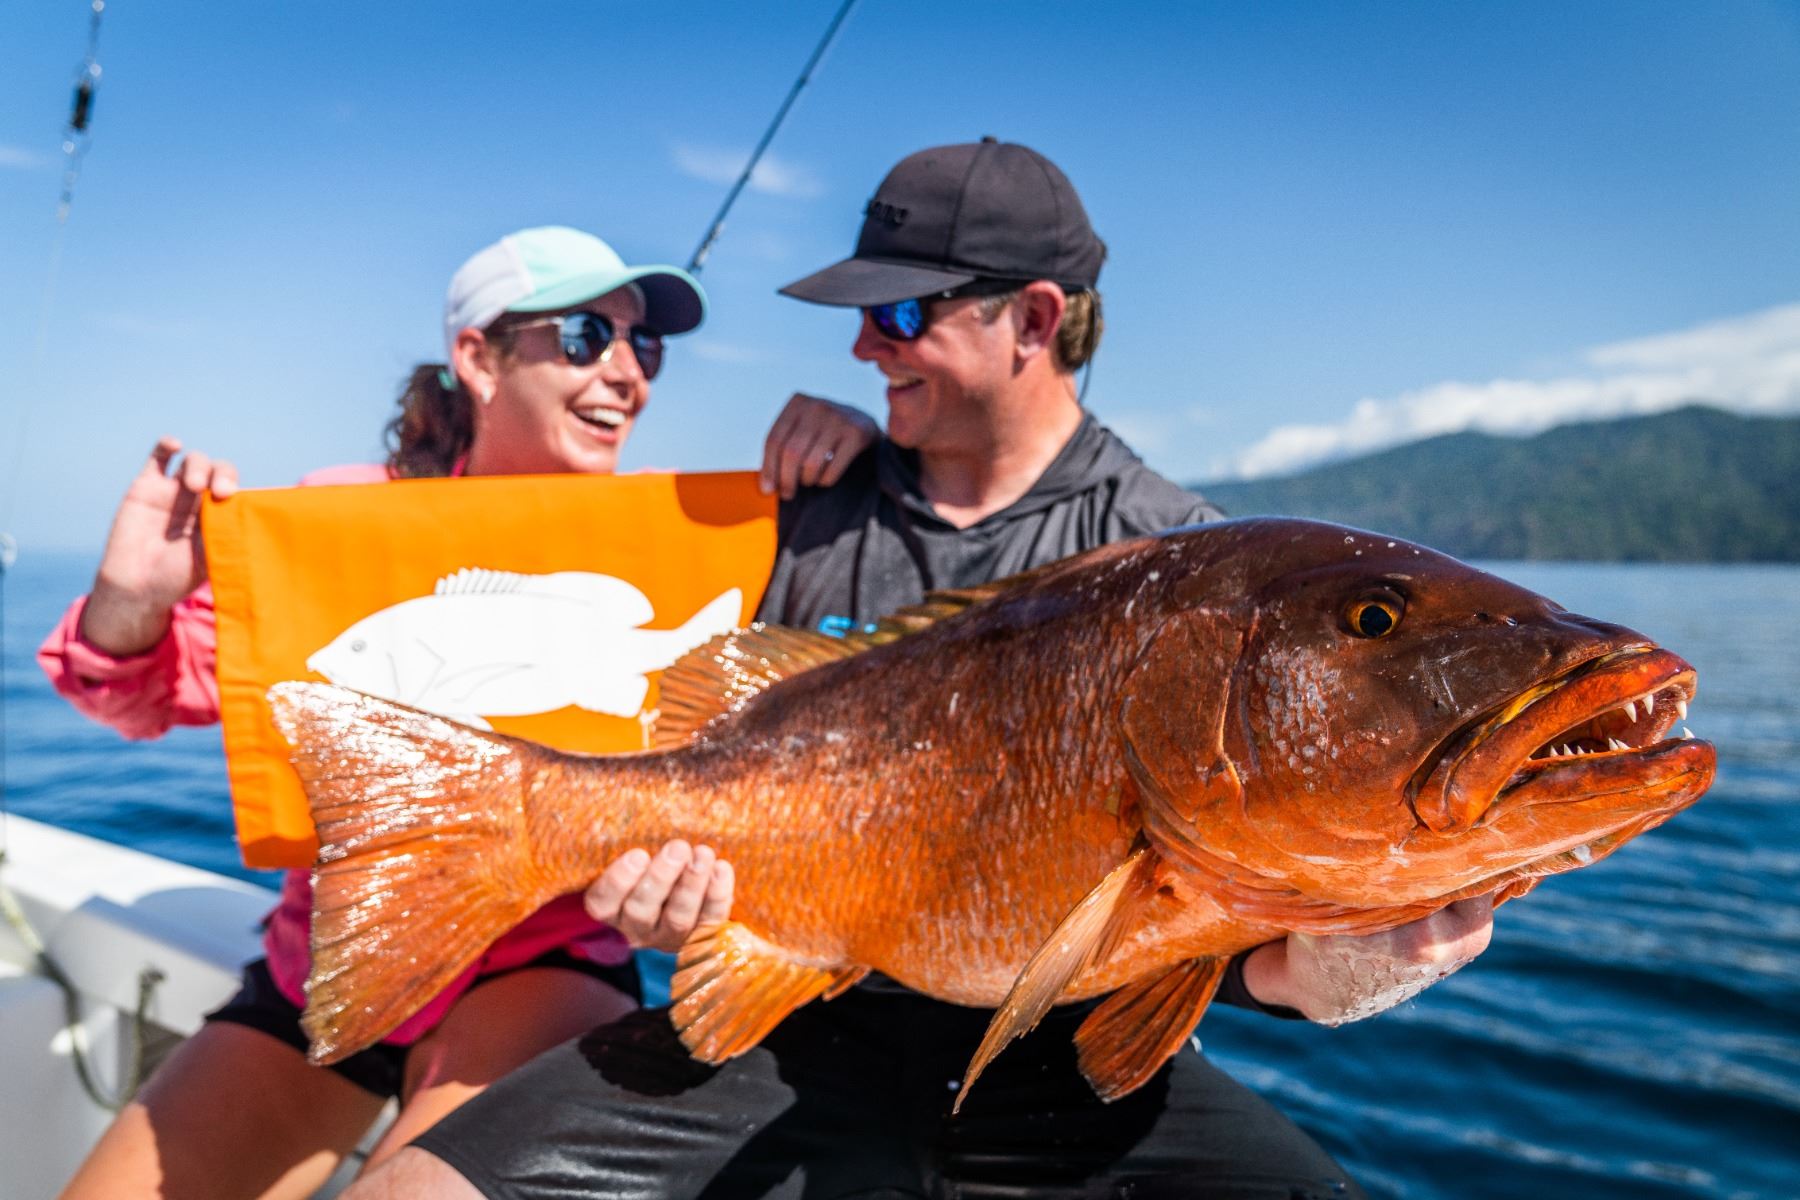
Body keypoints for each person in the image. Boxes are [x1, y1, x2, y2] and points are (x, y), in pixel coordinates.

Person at [350, 142, 1498, 1200]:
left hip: (1064, 1065)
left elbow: (1208, 911)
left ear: (1033, 319)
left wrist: (1326, 972)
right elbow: (681, 713)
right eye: (864, 317)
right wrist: (666, 901)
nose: (864, 348)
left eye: (900, 313)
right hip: (796, 1032)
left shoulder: (1185, 566)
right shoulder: (803, 503)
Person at [38, 224, 878, 1200]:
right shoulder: (338, 521)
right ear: (478, 358)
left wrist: (864, 464)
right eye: (584, 337)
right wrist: (131, 600)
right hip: (331, 961)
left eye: (641, 345)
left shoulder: (695, 538)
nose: (625, 373)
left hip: (542, 960)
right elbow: (157, 693)